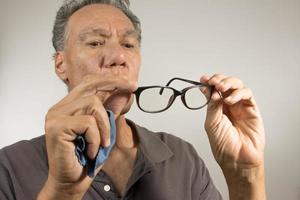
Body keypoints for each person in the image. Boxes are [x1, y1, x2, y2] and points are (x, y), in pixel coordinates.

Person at [0, 0, 266, 199]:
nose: (118, 57)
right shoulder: (9, 168)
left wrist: (244, 173)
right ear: (61, 65)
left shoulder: (182, 157)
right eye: (95, 43)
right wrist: (62, 190)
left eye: (128, 45)